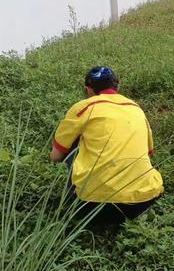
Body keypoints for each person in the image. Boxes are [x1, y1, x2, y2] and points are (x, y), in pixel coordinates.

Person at [50, 66, 164, 227]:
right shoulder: (135, 108)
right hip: (141, 203)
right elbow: (149, 152)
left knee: (74, 142)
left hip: (91, 205)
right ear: (118, 86)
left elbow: (55, 156)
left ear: (88, 90)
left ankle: (83, 197)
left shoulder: (84, 107)